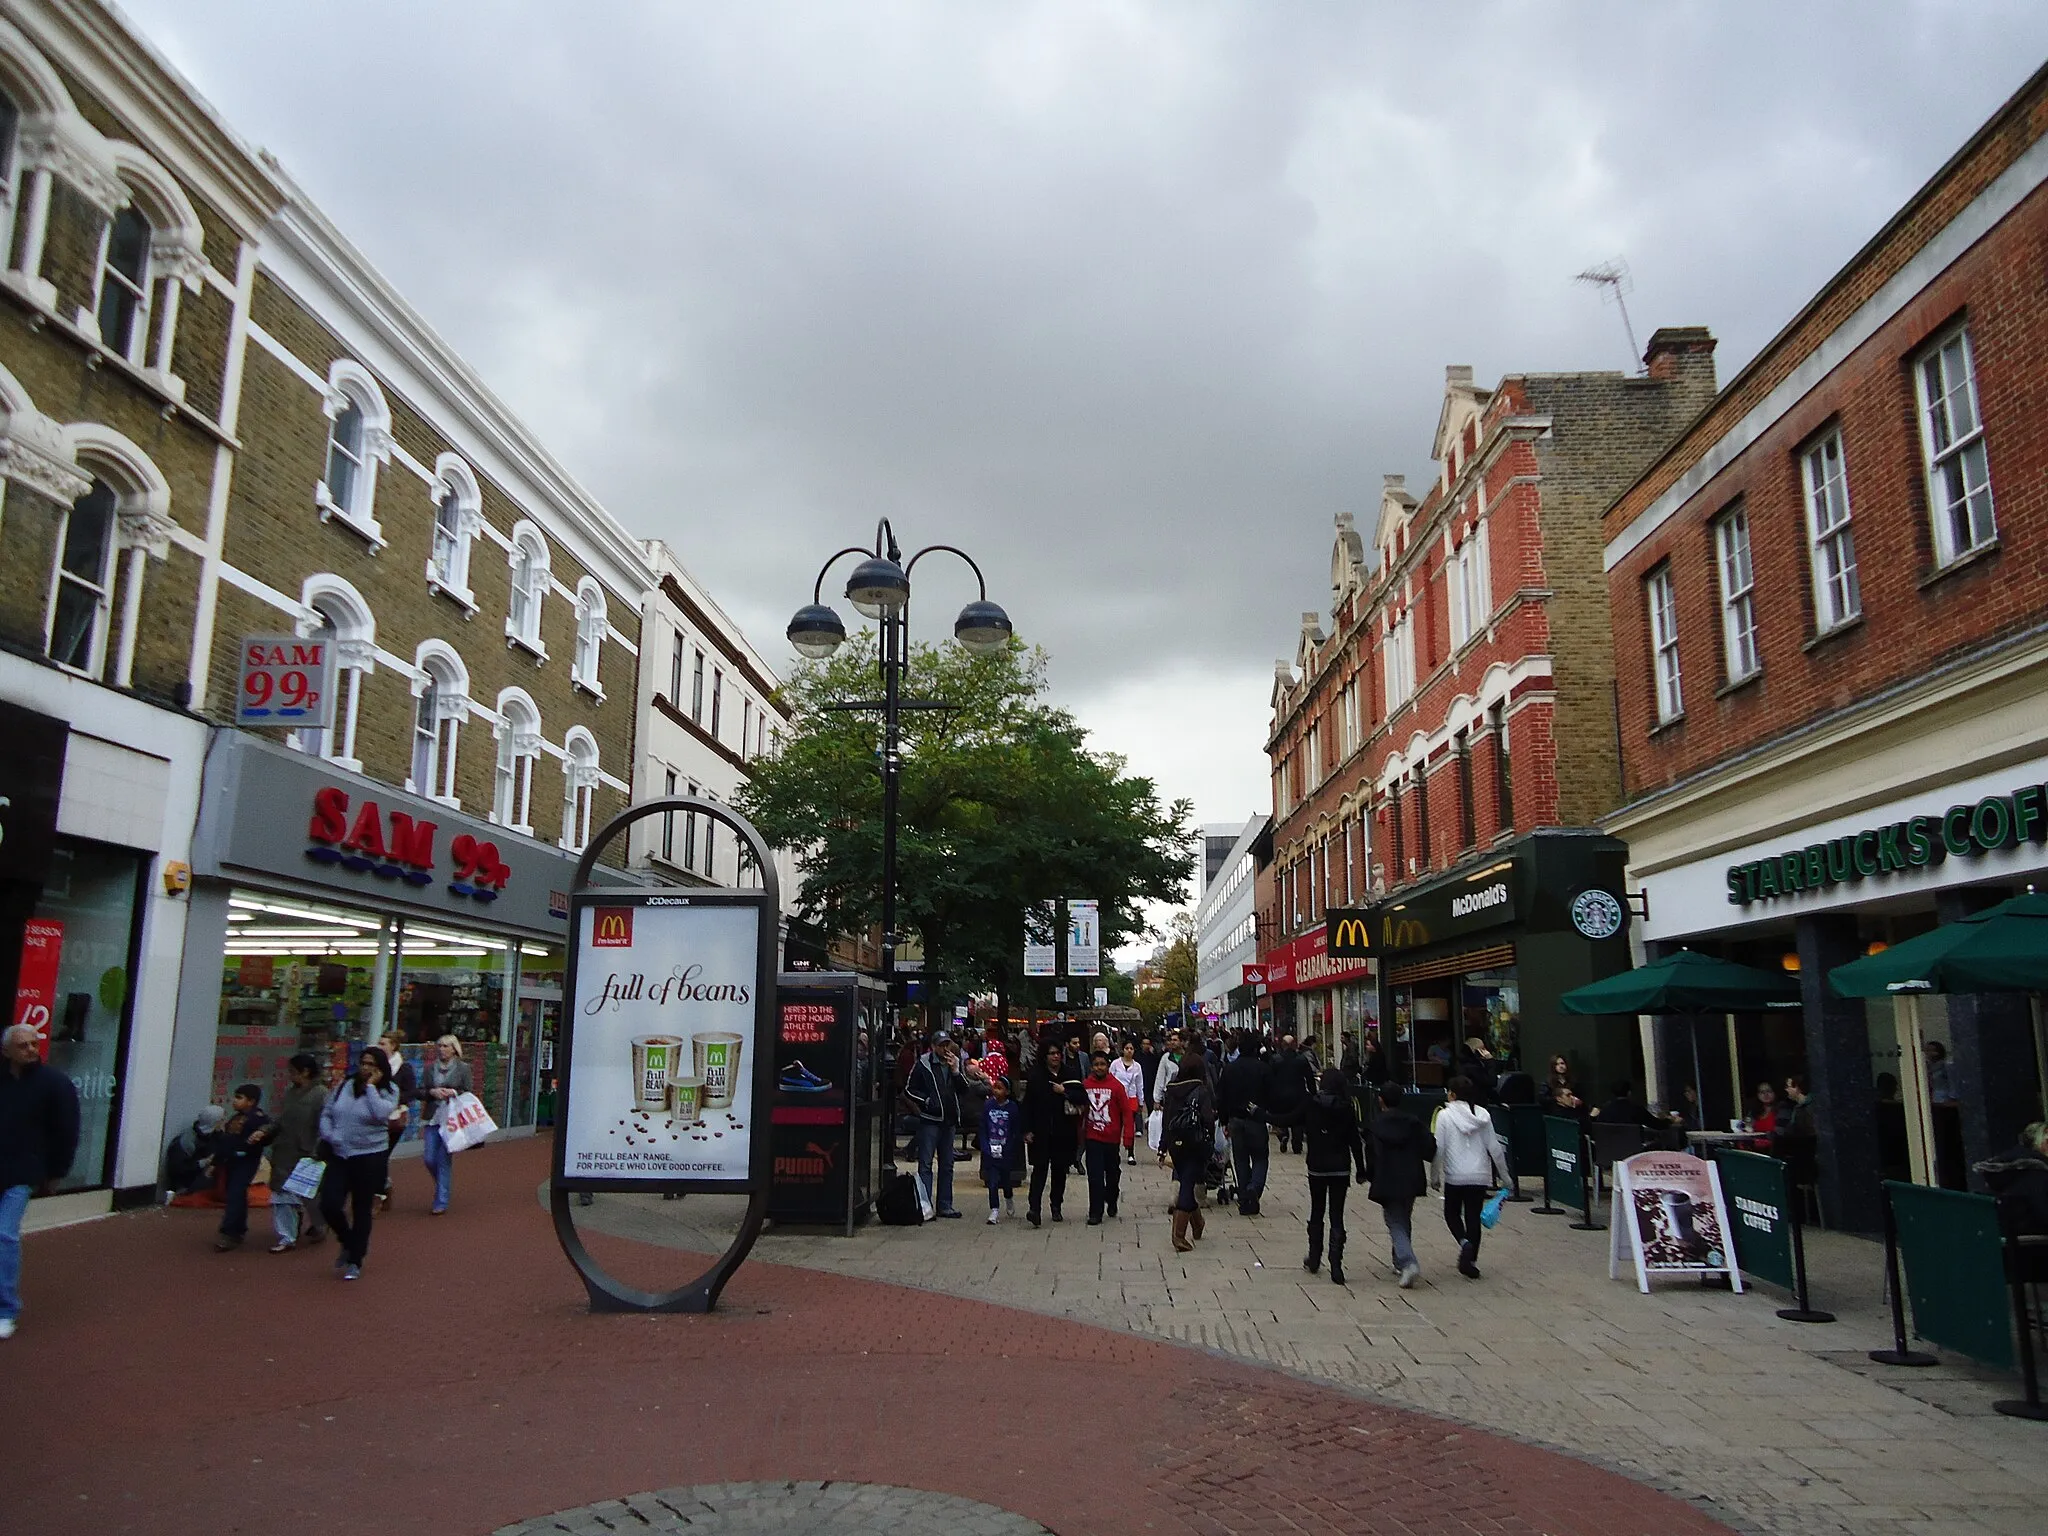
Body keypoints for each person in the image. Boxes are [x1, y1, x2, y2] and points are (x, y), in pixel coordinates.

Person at [0, 1023, 81, 1340]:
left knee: (4, 1234)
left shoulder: (55, 1085)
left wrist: (57, 1172)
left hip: (23, 1171)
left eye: (35, 1044)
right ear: (6, 1051)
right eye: (23, 1045)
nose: (31, 1050)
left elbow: (67, 1130)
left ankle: (6, 1309)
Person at [318, 1046, 400, 1281]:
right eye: (363, 1063)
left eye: (372, 1065)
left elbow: (380, 1114)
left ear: (381, 1068)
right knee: (329, 1203)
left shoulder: (388, 1090)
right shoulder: (344, 1085)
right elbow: (327, 1112)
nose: (366, 1068)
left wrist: (372, 1087)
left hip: (369, 1156)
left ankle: (356, 1259)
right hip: (340, 1153)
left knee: (361, 1208)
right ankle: (348, 1240)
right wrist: (329, 1134)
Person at [1432, 1074, 1510, 1280]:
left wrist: (1434, 1175)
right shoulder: (1482, 1114)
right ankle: (1471, 1261)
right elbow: (1495, 1148)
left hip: (1455, 1175)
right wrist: (1505, 1177)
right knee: (1473, 1216)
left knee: (1452, 1213)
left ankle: (1464, 1242)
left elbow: (1439, 1148)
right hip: (1479, 1174)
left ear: (1452, 1094)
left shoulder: (1445, 1116)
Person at [905, 1031, 986, 1219]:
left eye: (947, 1045)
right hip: (930, 1120)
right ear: (933, 1047)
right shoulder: (924, 1064)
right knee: (925, 1163)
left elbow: (964, 1089)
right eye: (941, 1045)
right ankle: (925, 1206)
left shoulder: (953, 1062)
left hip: (948, 1120)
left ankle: (945, 1204)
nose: (945, 1049)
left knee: (947, 1164)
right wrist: (925, 1101)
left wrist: (956, 1071)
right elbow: (910, 1089)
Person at [1365, 1081, 1435, 1287]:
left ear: (1380, 1100)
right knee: (1404, 1217)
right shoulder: (1412, 1122)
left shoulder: (1375, 1125)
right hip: (1411, 1176)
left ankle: (1407, 1261)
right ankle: (1399, 1260)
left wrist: (1370, 1175)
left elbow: (1371, 1154)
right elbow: (1429, 1146)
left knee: (1394, 1221)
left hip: (1387, 1176)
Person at [1302, 1067, 1367, 1285]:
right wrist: (1361, 1168)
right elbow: (1355, 1141)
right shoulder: (1346, 1108)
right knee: (1337, 1214)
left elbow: (1290, 1119)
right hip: (1340, 1166)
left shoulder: (1312, 1104)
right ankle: (1336, 1263)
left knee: (1317, 1210)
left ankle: (1314, 1257)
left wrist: (1260, 1113)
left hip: (1317, 1165)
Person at [261, 1054, 328, 1251]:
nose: (289, 1076)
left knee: (310, 1195)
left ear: (305, 1072)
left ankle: (319, 1223)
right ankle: (286, 1236)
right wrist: (265, 1131)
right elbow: (281, 1119)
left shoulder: (321, 1094)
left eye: (292, 1072)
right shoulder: (291, 1093)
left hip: (308, 1153)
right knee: (281, 1193)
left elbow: (325, 1124)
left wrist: (319, 1149)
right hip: (285, 1150)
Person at [210, 1083, 271, 1251]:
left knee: (235, 1194)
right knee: (236, 1194)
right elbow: (226, 1143)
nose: (234, 1101)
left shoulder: (257, 1118)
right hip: (232, 1161)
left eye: (239, 1097)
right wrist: (216, 1163)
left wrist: (262, 1134)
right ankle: (238, 1229)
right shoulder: (235, 1118)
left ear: (251, 1101)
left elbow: (268, 1131)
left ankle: (229, 1232)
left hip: (246, 1161)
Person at [1023, 1042, 1078, 1226]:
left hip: (1063, 1132)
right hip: (1041, 1132)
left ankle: (1056, 1206)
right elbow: (1028, 1105)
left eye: (1057, 1053)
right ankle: (1034, 1209)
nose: (1055, 1057)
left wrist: (1065, 1092)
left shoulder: (1069, 1074)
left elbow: (1081, 1097)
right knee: (1039, 1171)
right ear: (1045, 1056)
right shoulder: (1036, 1076)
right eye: (1051, 1053)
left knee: (1059, 1171)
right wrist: (1027, 1129)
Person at [1217, 1029, 1271, 1216]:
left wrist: (1224, 1121)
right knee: (1260, 1157)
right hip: (1257, 1120)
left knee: (1240, 1159)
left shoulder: (1229, 1069)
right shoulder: (1263, 1069)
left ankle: (1244, 1195)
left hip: (1235, 1120)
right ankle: (1254, 1188)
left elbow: (1221, 1097)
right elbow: (1271, 1095)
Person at [418, 1034, 474, 1215]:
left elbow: (468, 1090)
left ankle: (441, 1199)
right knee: (429, 1158)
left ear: (454, 1049)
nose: (441, 1049)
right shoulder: (430, 1069)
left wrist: (452, 1092)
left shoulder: (463, 1068)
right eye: (440, 1045)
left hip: (452, 1118)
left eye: (445, 1046)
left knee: (443, 1159)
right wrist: (432, 1092)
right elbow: (422, 1090)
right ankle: (442, 1184)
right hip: (433, 1116)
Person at [1161, 1056, 1211, 1252]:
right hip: (1195, 1144)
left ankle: (1198, 1223)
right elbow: (1207, 1119)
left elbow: (1166, 1119)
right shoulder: (1201, 1090)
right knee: (1187, 1186)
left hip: (1177, 1144)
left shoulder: (1172, 1090)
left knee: (1186, 1181)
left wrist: (1162, 1145)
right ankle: (1178, 1237)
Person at [1080, 1049, 1135, 1224]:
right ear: (1091, 1067)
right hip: (1092, 1137)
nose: (1099, 1068)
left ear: (1108, 1066)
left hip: (1111, 1139)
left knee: (1112, 1174)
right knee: (1095, 1176)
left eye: (1102, 1064)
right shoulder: (1086, 1085)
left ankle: (1111, 1198)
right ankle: (1095, 1212)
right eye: (1096, 1064)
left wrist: (1128, 1137)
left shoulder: (1116, 1086)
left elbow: (1126, 1113)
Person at [377, 1033, 418, 1211]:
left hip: (394, 1119)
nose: (379, 1046)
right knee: (377, 1156)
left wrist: (392, 1100)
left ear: (393, 1046)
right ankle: (383, 1186)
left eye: (383, 1043)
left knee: (380, 1156)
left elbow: (411, 1092)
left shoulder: (404, 1068)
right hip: (374, 1118)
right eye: (379, 1043)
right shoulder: (373, 1067)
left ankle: (379, 1194)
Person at [979, 1075, 1023, 1223]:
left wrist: (1009, 1147)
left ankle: (1009, 1197)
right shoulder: (988, 1106)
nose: (996, 1091)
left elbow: (1015, 1130)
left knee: (1006, 1179)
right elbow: (983, 1128)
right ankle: (994, 1209)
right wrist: (985, 1147)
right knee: (992, 1182)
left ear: (1007, 1091)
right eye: (995, 1087)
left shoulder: (1012, 1108)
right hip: (990, 1150)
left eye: (1000, 1088)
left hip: (1006, 1150)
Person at [1267, 1034, 1314, 1155]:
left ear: (1283, 1045)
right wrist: (1313, 1093)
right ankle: (1297, 1145)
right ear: (1293, 1045)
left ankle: (1283, 1134)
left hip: (1280, 1095)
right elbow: (1309, 1078)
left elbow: (1269, 1078)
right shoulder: (1301, 1059)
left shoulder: (1275, 1059)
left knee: (1281, 1117)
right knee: (1297, 1120)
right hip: (1298, 1094)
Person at [164, 1105, 226, 1197]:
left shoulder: (215, 1135)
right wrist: (204, 1162)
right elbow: (177, 1169)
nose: (224, 1122)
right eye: (221, 1120)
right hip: (186, 1184)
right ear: (214, 1122)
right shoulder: (186, 1141)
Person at [1110, 1041, 1146, 1166]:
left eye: (1131, 1048)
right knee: (1116, 1126)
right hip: (1116, 1098)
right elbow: (1109, 1080)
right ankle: (1114, 1152)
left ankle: (1130, 1153)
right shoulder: (1115, 1064)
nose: (1129, 1050)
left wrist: (1141, 1101)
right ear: (1122, 1050)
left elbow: (1140, 1084)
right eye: (1126, 1048)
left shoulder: (1137, 1067)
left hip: (1131, 1098)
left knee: (1130, 1126)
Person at [1458, 1036, 1500, 1105]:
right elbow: (1491, 1081)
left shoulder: (1463, 1063)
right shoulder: (1472, 1067)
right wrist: (1490, 1061)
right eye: (1483, 1049)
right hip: (1477, 1102)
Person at [1925, 1040, 1957, 1105]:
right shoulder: (1926, 1067)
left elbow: (1953, 1083)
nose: (1928, 1053)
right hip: (1929, 1099)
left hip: (1943, 1099)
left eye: (1931, 1050)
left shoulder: (1946, 1066)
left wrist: (1952, 1098)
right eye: (1927, 1050)